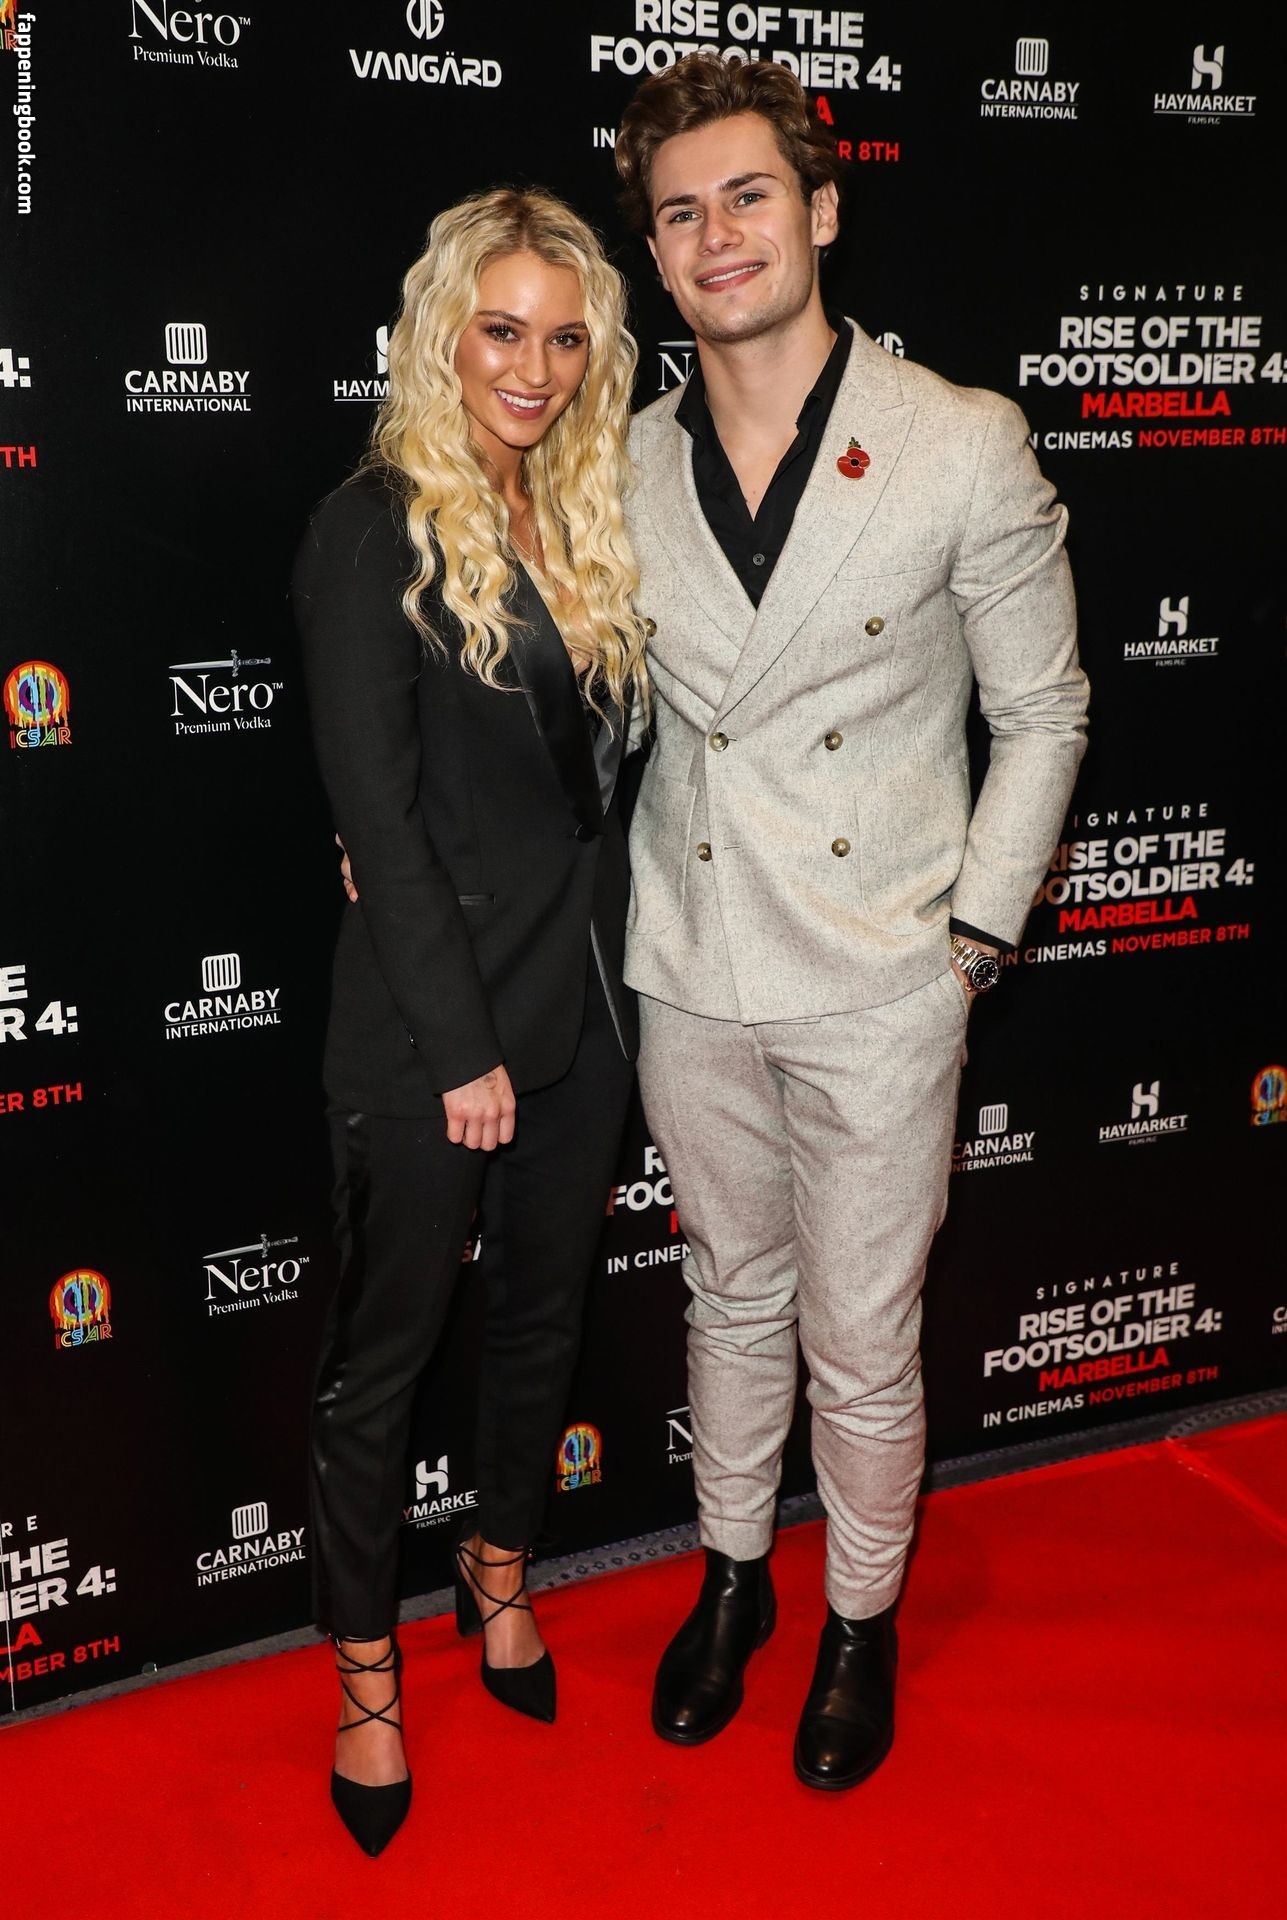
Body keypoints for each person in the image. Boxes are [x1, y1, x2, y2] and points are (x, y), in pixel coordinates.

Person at [613, 57, 1088, 1791]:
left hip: (881, 974)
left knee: (862, 1338)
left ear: (820, 209)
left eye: (749, 195)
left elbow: (1044, 711)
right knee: (729, 1296)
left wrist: (970, 941)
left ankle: (859, 1616)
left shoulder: (957, 438)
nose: (718, 236)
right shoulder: (625, 458)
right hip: (693, 961)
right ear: (656, 255)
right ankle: (734, 1577)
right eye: (681, 212)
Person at [293, 188, 648, 1855]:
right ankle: (365, 1675)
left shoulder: (583, 507)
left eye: (566, 338)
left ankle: (498, 1567)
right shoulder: (372, 529)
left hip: (584, 1003)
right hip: (431, 1030)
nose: (535, 367)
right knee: (383, 1364)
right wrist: (463, 1053)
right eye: (502, 330)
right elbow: (378, 816)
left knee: (542, 1321)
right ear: (443, 333)